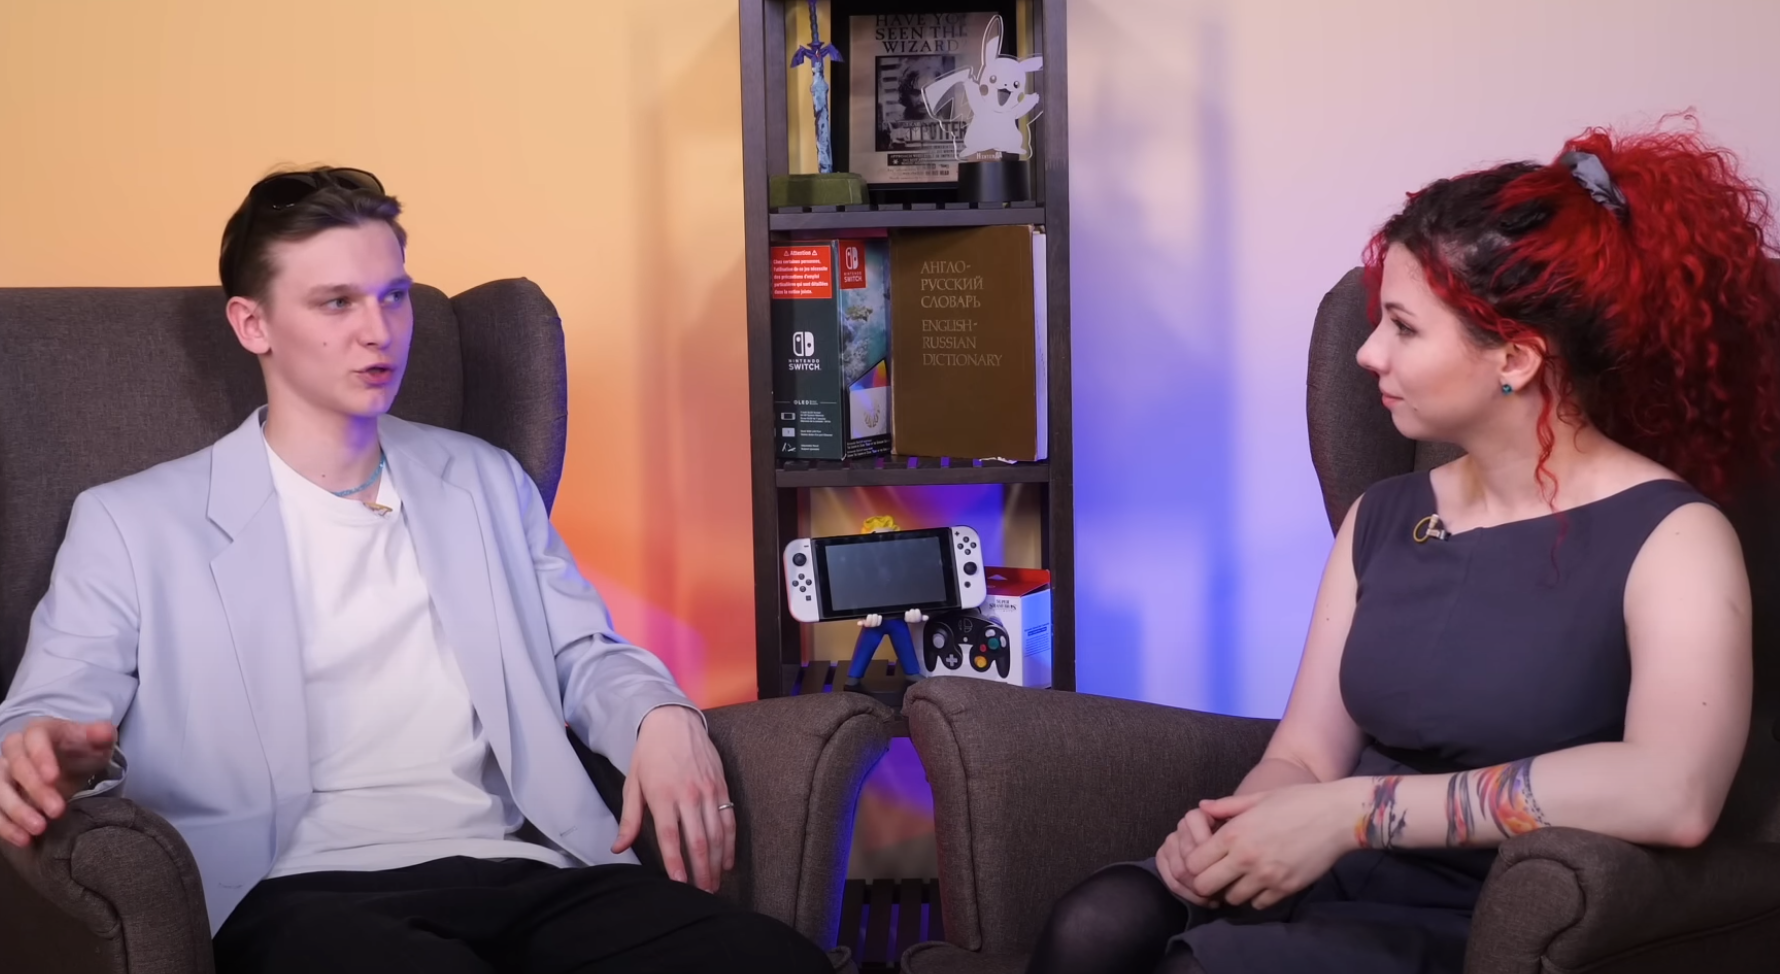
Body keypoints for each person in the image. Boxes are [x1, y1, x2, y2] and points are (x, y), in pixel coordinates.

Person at [0, 167, 834, 974]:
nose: (380, 331)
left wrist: (661, 714)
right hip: (291, 891)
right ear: (253, 325)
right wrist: (43, 753)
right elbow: (45, 713)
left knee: (769, 960)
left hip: (522, 868)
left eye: (393, 296)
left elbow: (583, 652)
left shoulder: (483, 479)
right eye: (337, 302)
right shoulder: (133, 522)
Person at [1026, 120, 1779, 974]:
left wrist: (1355, 813)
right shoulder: (1383, 515)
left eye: (1404, 328)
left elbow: (1674, 792)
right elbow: (1304, 755)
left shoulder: (1674, 537)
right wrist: (1237, 828)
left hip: (1502, 908)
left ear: (1516, 359)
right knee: (1097, 923)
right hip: (1332, 862)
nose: (1367, 352)